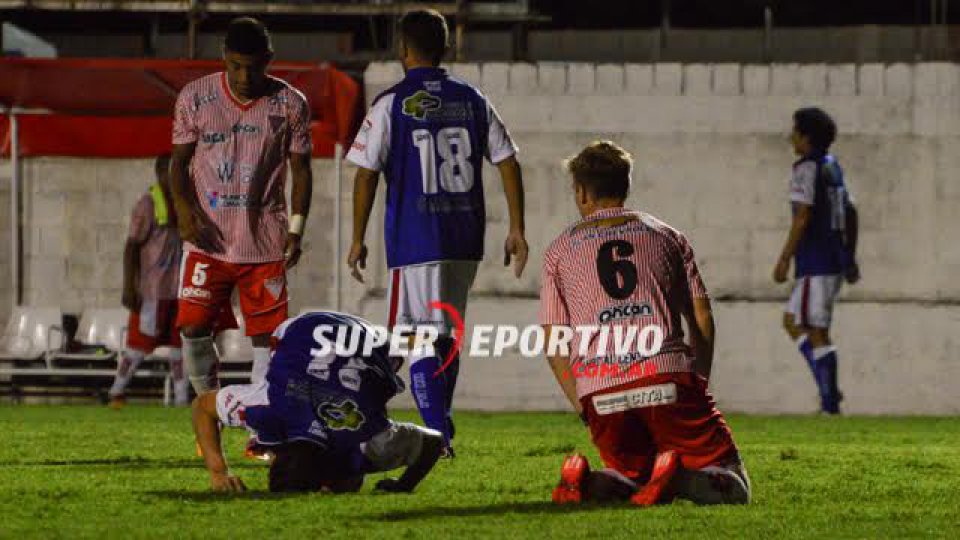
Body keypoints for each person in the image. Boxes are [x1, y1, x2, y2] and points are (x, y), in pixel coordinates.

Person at [345, 8, 527, 456]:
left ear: (402, 50)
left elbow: (365, 174)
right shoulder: (472, 98)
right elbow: (507, 160)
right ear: (443, 48)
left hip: (416, 239)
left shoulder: (390, 102)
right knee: (443, 336)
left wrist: (357, 237)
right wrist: (517, 229)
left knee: (414, 336)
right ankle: (436, 425)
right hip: (464, 239)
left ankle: (434, 436)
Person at [539, 141, 750, 506]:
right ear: (625, 186)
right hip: (663, 375)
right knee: (735, 483)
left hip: (600, 387)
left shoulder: (558, 252)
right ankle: (679, 476)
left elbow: (554, 344)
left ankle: (583, 481)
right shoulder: (667, 236)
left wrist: (584, 406)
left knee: (631, 475)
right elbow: (701, 316)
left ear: (582, 192)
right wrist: (698, 379)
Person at [169, 17, 313, 396]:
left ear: (269, 59)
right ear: (224, 58)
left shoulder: (290, 104)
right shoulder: (194, 97)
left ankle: (260, 426)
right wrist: (184, 213)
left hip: (264, 241)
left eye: (253, 66)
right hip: (207, 240)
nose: (244, 75)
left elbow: (301, 170)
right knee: (193, 327)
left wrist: (296, 230)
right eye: (235, 65)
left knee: (267, 336)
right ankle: (208, 409)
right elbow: (178, 162)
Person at [191, 311, 444, 493]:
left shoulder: (372, 441)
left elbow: (201, 405)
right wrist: (218, 472)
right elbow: (203, 406)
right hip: (332, 334)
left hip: (324, 331)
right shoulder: (267, 408)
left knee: (368, 400)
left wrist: (219, 472)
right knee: (367, 395)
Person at [773, 107, 859, 415]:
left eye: (795, 131)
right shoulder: (832, 166)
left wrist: (784, 259)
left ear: (806, 137)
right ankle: (829, 392)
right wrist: (849, 255)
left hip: (816, 260)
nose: (791, 137)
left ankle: (830, 403)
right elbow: (850, 211)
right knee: (793, 322)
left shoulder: (806, 169)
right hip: (831, 258)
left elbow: (803, 216)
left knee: (814, 328)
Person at [108, 155, 188, 407]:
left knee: (179, 349)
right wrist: (128, 286)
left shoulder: (184, 204)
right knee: (138, 347)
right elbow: (131, 248)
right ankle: (116, 393)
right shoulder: (147, 204)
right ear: (160, 173)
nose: (176, 177)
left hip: (179, 291)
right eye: (172, 171)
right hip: (152, 291)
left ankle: (181, 401)